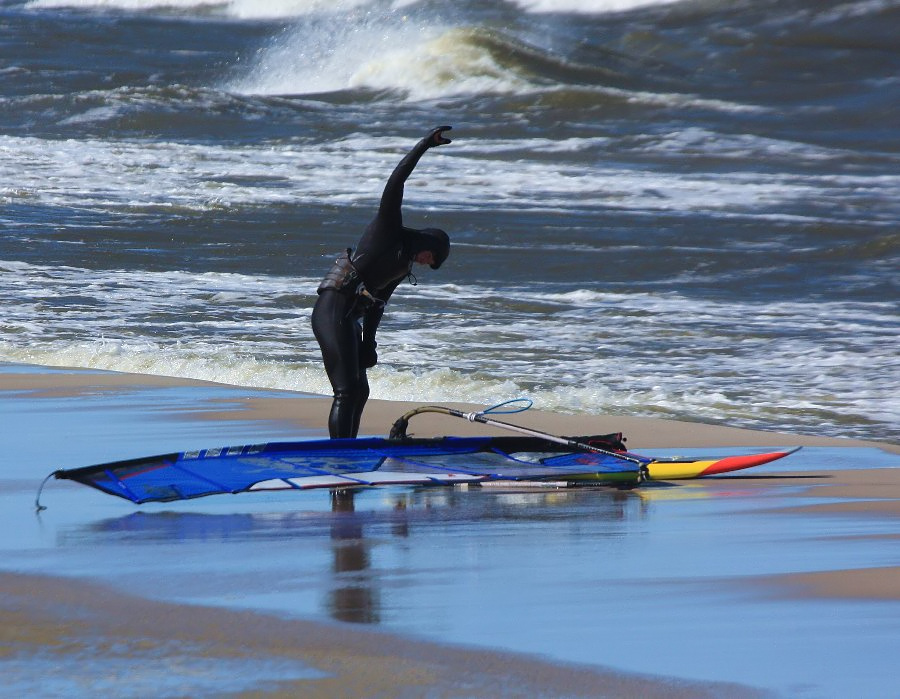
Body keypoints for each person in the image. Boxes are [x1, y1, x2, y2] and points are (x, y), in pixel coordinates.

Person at [311, 126, 453, 438]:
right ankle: (339, 458)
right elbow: (396, 181)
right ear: (428, 244)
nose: (426, 264)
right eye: (431, 258)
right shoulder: (389, 229)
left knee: (361, 391)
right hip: (332, 309)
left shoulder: (403, 267)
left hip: (351, 319)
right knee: (346, 391)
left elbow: (377, 303)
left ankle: (349, 449)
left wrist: (369, 343)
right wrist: (424, 145)